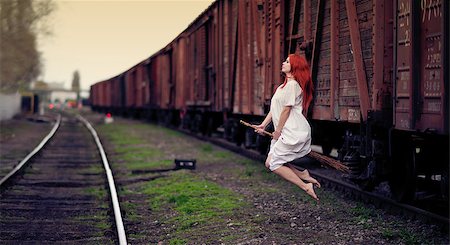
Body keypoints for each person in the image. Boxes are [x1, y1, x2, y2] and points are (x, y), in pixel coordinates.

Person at [254, 54, 320, 201]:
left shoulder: (293, 85)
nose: (283, 63)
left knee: (272, 164)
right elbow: (275, 109)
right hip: (284, 129)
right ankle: (302, 174)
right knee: (270, 162)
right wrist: (263, 125)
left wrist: (277, 131)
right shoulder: (282, 87)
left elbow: (286, 110)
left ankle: (305, 186)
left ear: (294, 67)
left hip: (292, 130)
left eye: (287, 61)